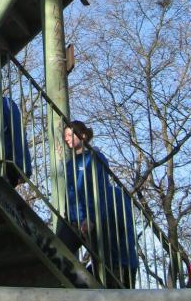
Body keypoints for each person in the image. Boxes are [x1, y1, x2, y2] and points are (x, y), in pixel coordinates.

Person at [57, 120, 138, 287]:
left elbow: (100, 190)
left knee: (102, 262)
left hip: (90, 220)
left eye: (70, 135)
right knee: (58, 252)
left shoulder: (95, 158)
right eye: (65, 136)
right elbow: (70, 192)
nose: (67, 139)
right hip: (73, 220)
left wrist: (92, 217)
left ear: (83, 135)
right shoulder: (70, 163)